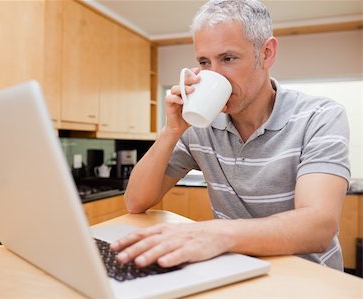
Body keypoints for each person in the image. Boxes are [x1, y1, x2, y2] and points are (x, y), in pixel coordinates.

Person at [110, 0, 350, 271]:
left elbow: (318, 228)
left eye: (228, 59)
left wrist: (215, 233)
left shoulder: (320, 116)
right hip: (236, 271)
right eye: (204, 62)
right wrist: (171, 131)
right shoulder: (201, 127)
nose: (214, 75)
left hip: (309, 278)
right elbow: (135, 201)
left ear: (267, 53)